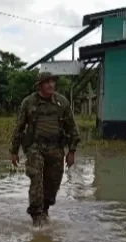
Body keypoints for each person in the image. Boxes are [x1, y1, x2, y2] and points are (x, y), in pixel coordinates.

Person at [10, 72, 81, 226]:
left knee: (53, 183)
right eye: (47, 82)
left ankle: (45, 209)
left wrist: (72, 152)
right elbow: (19, 127)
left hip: (56, 148)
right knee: (36, 179)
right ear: (40, 85)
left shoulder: (62, 102)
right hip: (35, 147)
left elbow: (72, 128)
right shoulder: (28, 103)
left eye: (53, 82)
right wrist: (14, 151)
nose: (51, 85)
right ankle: (36, 215)